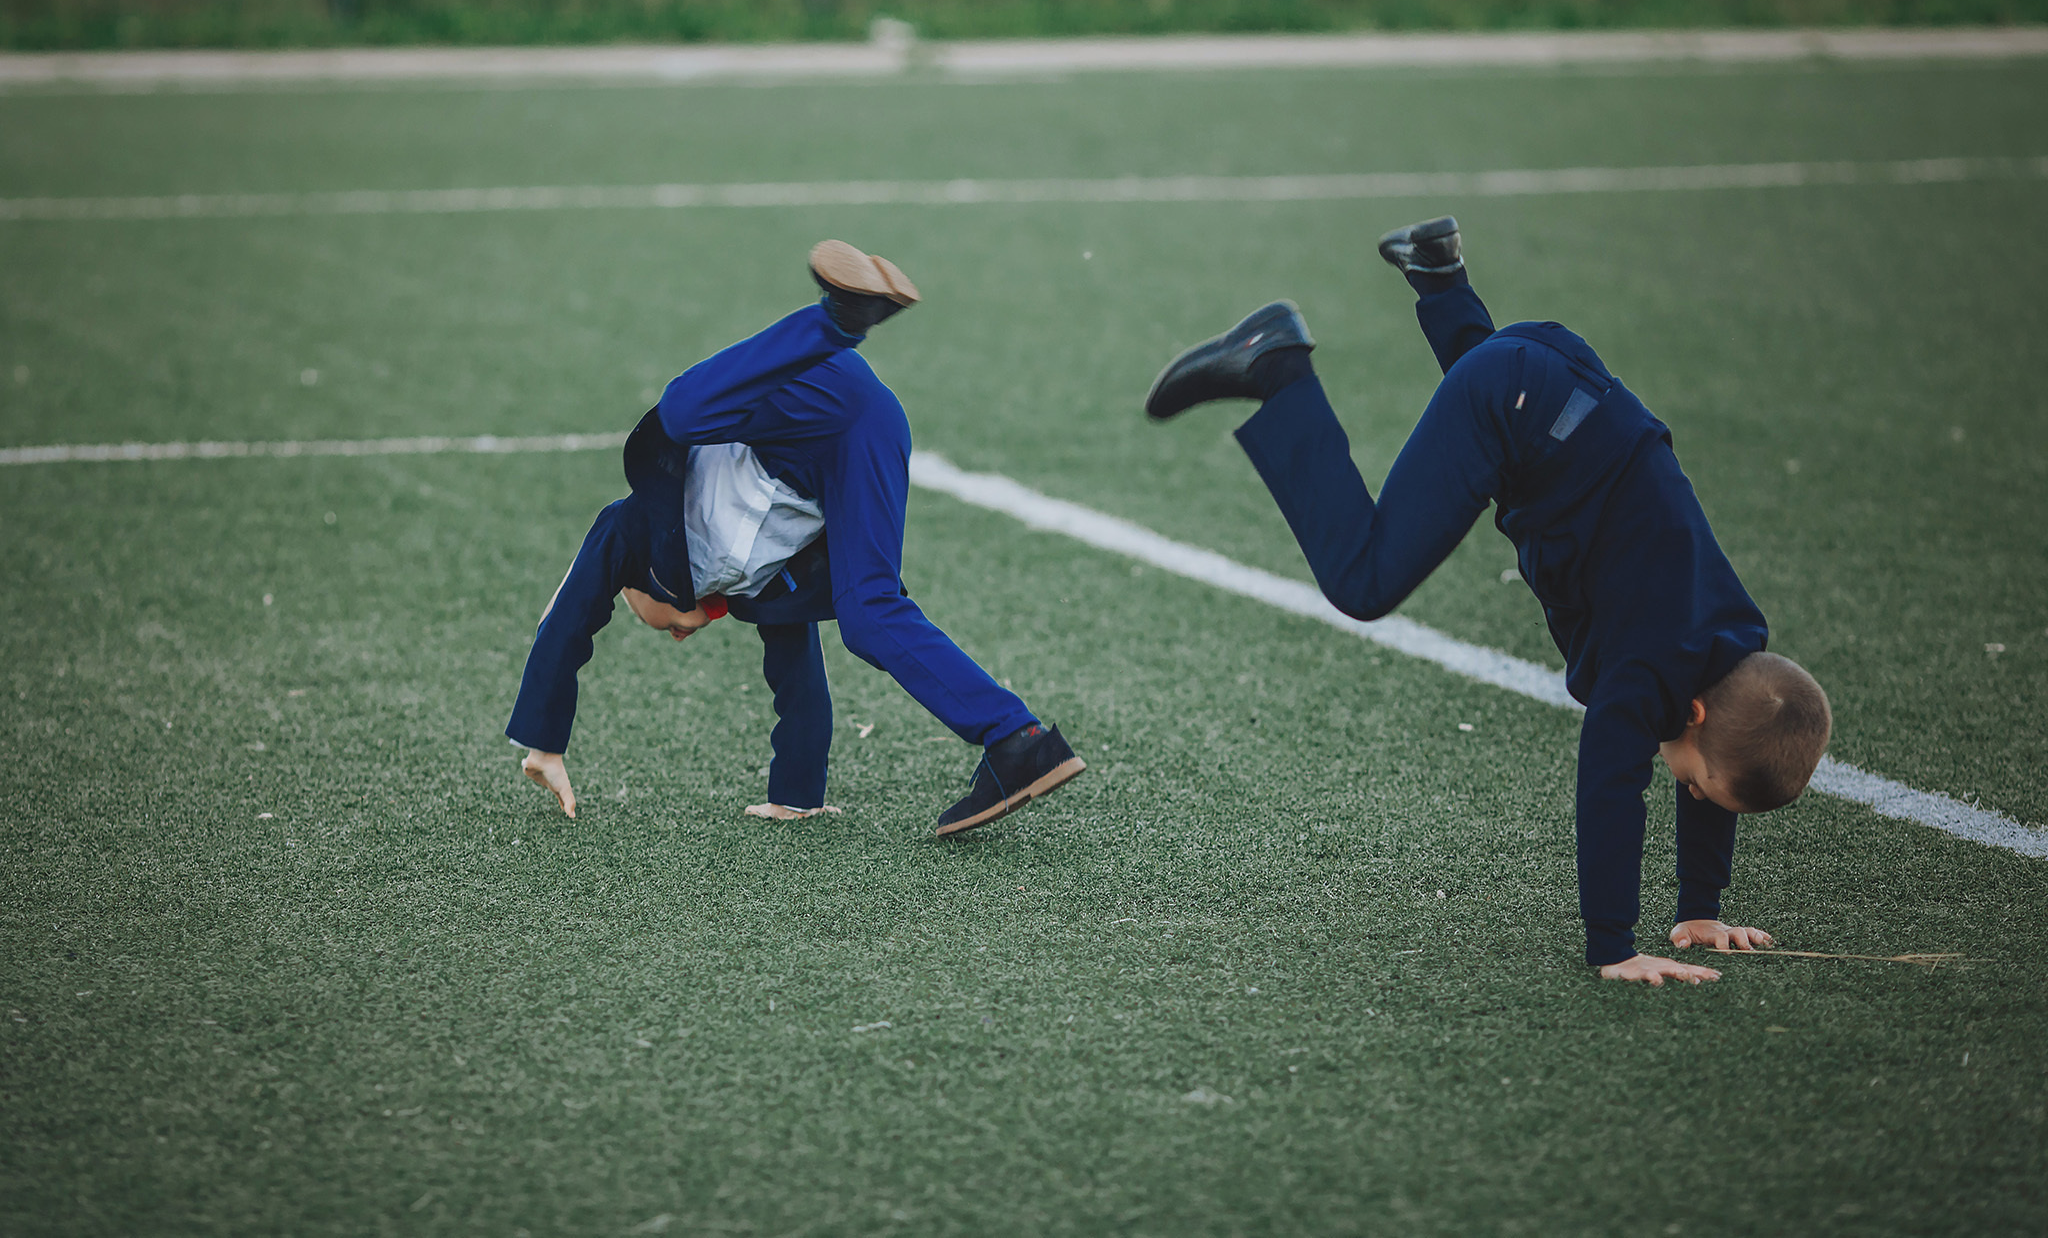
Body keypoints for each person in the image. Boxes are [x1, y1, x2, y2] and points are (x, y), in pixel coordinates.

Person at [1143, 217, 1831, 986]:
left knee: (1518, 435)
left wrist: (1700, 907)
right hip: (1521, 406)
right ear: (1695, 712)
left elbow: (1719, 758)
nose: (1691, 793)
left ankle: (1440, 278)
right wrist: (1614, 944)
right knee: (1363, 580)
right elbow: (1610, 784)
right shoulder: (1654, 666)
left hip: (1562, 388)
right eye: (1694, 783)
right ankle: (1275, 365)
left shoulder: (1735, 652)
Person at [507, 240, 1084, 835]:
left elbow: (571, 611)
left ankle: (838, 318)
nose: (677, 635)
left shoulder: (632, 530)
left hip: (805, 400)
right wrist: (795, 795)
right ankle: (1018, 740)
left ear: (639, 584)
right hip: (867, 432)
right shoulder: (758, 593)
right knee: (868, 613)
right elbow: (797, 682)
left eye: (657, 621)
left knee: (680, 410)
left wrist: (544, 743)